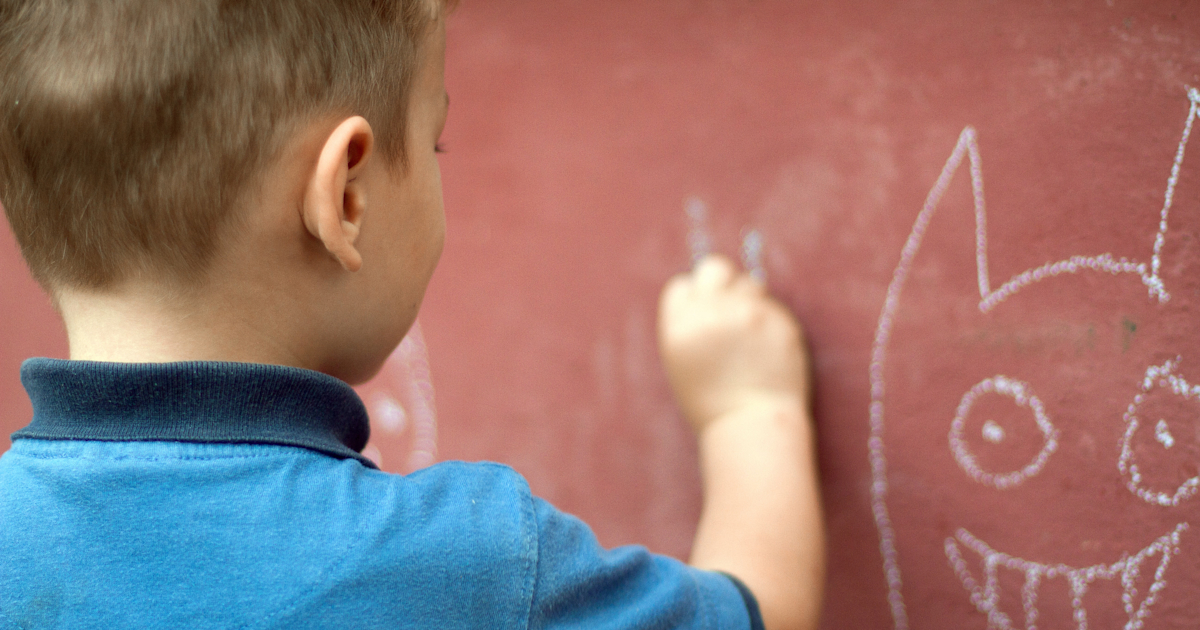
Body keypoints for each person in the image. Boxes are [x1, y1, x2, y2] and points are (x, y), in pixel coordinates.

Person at [0, 0, 825, 628]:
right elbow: (762, 613)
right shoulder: (473, 568)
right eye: (436, 143)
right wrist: (750, 414)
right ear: (346, 197)